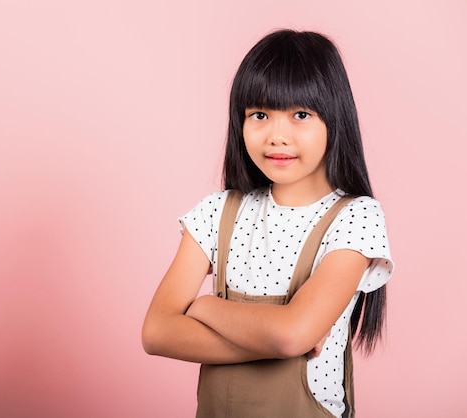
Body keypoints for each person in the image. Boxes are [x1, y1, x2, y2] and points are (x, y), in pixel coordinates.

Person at [141, 29, 394, 417]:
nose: (278, 136)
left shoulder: (355, 217)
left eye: (301, 115)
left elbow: (293, 333)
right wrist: (277, 340)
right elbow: (157, 332)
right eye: (259, 115)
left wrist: (205, 308)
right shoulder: (216, 212)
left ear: (334, 118)